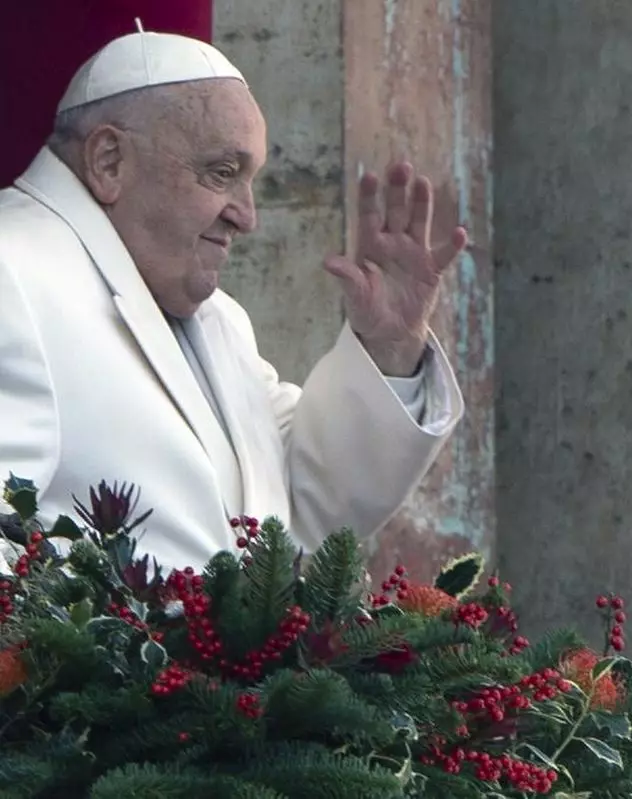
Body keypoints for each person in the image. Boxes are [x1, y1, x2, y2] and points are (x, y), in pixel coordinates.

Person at [0, 30, 467, 569]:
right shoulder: (15, 270)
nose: (247, 216)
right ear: (109, 161)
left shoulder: (220, 319)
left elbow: (294, 503)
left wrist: (389, 347)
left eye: (252, 181)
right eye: (221, 173)